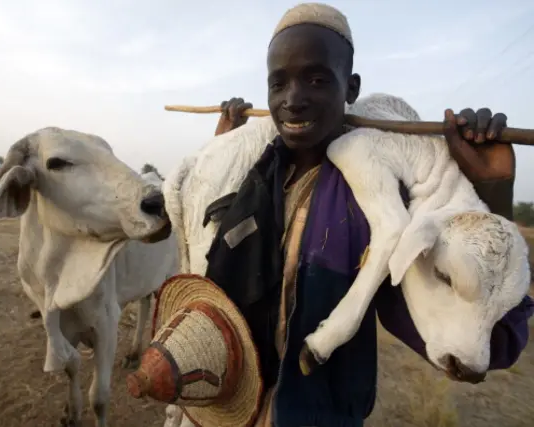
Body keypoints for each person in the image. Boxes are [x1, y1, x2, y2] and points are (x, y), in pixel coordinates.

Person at [202, 3, 534, 427]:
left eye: (317, 79)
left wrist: (489, 193)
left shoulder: (380, 207)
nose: (294, 100)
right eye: (278, 83)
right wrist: (225, 148)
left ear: (351, 88)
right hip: (229, 402)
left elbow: (499, 343)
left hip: (316, 414)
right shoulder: (258, 170)